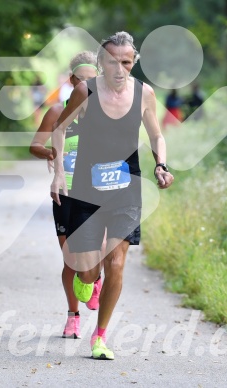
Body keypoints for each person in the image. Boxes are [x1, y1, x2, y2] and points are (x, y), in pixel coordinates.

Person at [50, 32, 174, 360]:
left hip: (126, 189)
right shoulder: (84, 91)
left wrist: (161, 164)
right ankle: (86, 279)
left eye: (126, 62)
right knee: (89, 270)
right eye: (112, 61)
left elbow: (156, 134)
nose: (119, 69)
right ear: (100, 62)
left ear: (133, 63)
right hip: (86, 192)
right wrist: (59, 172)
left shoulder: (144, 93)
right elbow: (59, 129)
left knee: (116, 263)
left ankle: (100, 337)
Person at [29, 51, 101, 340]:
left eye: (91, 81)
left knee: (95, 257)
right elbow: (35, 145)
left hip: (96, 192)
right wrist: (50, 152)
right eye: (80, 80)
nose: (85, 86)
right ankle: (73, 317)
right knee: (70, 260)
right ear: (72, 81)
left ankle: (94, 279)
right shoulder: (57, 111)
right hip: (65, 192)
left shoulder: (107, 114)